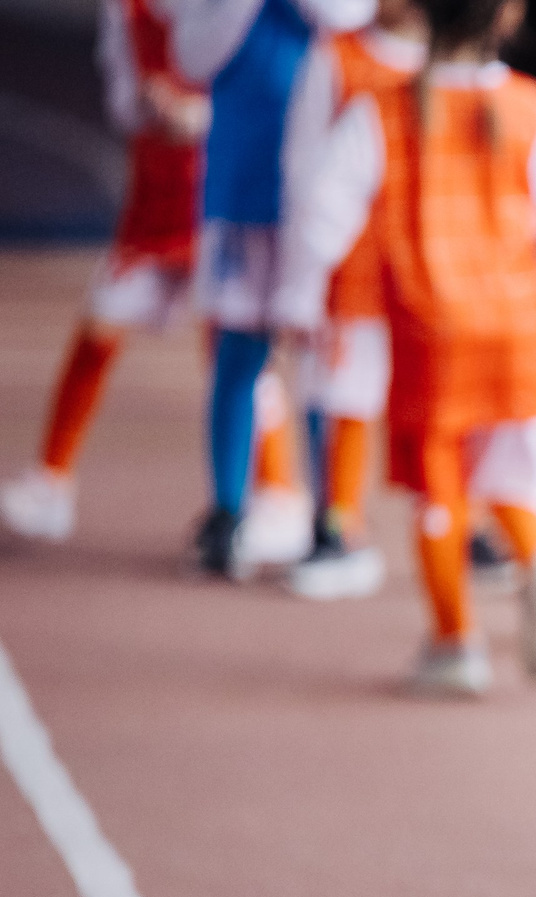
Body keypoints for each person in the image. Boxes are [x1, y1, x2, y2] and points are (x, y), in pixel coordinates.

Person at [276, 0, 536, 694]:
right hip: (516, 322)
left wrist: (303, 296)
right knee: (514, 469)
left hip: (432, 326)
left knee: (440, 485)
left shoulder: (383, 111)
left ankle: (455, 641)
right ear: (509, 19)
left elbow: (321, 213)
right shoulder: (532, 106)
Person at [173, 0, 375, 577]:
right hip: (244, 180)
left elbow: (350, 15)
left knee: (324, 360)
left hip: (322, 194)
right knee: (237, 350)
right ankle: (227, 513)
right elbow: (192, 55)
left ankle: (332, 519)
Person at [3, 0, 211, 544]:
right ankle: (51, 480)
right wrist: (149, 106)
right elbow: (124, 99)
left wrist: (200, 116)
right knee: (99, 326)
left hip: (216, 202)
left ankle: (272, 492)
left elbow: (256, 92)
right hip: (153, 204)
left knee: (234, 356)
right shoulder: (129, 12)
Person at [274, 0, 428, 601]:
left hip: (426, 273)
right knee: (345, 397)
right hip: (354, 277)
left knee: (440, 405)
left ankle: (458, 518)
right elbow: (304, 172)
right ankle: (337, 523)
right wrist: (300, 283)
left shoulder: (454, 69)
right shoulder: (334, 58)